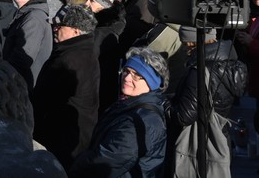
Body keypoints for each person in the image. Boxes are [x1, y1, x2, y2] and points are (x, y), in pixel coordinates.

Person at [71, 47, 168, 177]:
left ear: (152, 82)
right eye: (126, 71)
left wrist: (78, 165)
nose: (127, 78)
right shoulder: (129, 104)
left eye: (137, 75)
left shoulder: (140, 120)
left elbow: (108, 161)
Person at [167, 26, 247, 171]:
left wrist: (164, 103)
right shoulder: (229, 63)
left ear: (191, 43)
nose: (183, 48)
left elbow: (184, 116)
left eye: (184, 43)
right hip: (221, 138)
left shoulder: (200, 71)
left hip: (198, 145)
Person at [33, 4, 100, 170]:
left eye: (60, 26)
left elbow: (45, 100)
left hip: (61, 137)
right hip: (77, 135)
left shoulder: (69, 60)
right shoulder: (83, 50)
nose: (55, 29)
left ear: (76, 31)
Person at [4, 0, 53, 93]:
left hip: (25, 86)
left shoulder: (33, 18)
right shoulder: (26, 14)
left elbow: (23, 57)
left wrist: (4, 77)